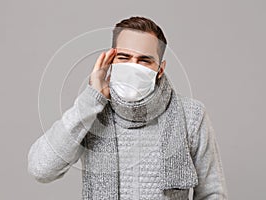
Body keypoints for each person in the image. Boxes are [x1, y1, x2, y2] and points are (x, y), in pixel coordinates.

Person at [27, 16, 228, 199]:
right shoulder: (91, 113)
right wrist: (91, 99)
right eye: (124, 57)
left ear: (160, 69)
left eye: (144, 60)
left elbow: (212, 193)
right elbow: (41, 169)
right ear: (110, 60)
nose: (133, 66)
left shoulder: (191, 115)